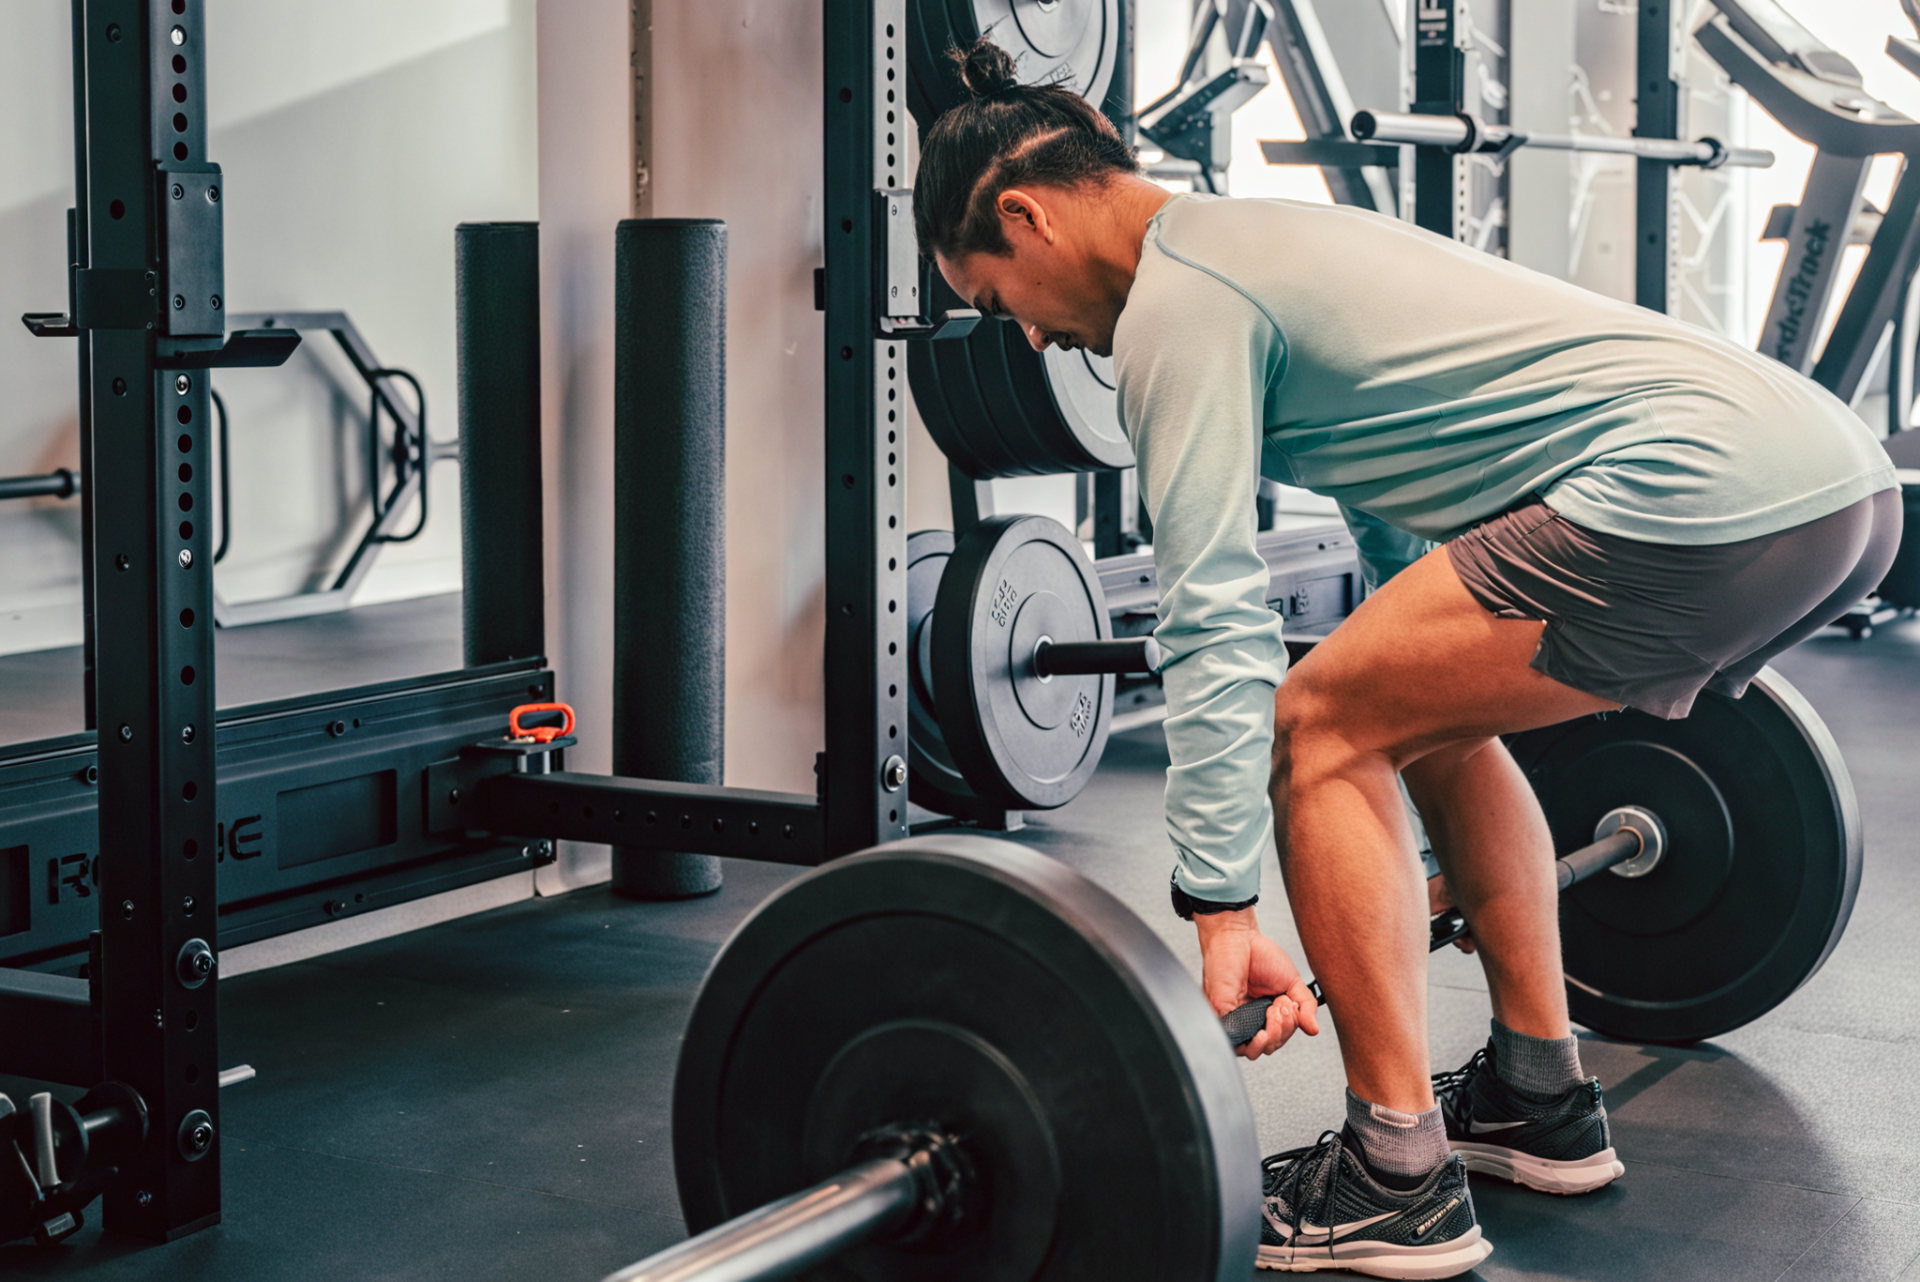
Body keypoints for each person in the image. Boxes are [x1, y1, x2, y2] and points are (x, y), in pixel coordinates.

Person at [911, 38, 1901, 1279]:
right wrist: (1394, 807)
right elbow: (1419, 500)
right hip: (1834, 485)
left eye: (1004, 302)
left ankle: (1394, 1176)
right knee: (1410, 717)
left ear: (1026, 215)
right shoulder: (1267, 235)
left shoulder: (1178, 304)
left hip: (1699, 489)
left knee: (1317, 720)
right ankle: (1538, 1100)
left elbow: (1212, 619)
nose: (1043, 344)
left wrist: (1218, 900)